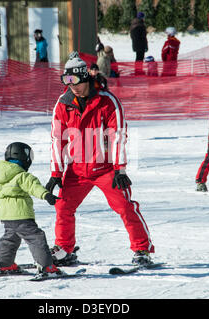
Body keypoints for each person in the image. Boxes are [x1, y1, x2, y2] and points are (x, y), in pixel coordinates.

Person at [46, 51, 155, 266]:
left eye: (76, 81)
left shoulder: (107, 101)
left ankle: (142, 249)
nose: (72, 86)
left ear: (85, 78)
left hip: (106, 168)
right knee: (63, 207)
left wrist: (119, 169)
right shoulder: (63, 103)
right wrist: (56, 173)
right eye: (67, 82)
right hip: (77, 169)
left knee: (124, 206)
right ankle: (64, 249)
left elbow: (119, 136)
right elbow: (57, 139)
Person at [0, 142, 62, 278]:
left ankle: (5, 263)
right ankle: (47, 267)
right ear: (25, 158)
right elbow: (33, 187)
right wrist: (46, 195)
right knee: (36, 238)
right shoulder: (22, 176)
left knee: (10, 239)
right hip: (21, 214)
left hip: (6, 216)